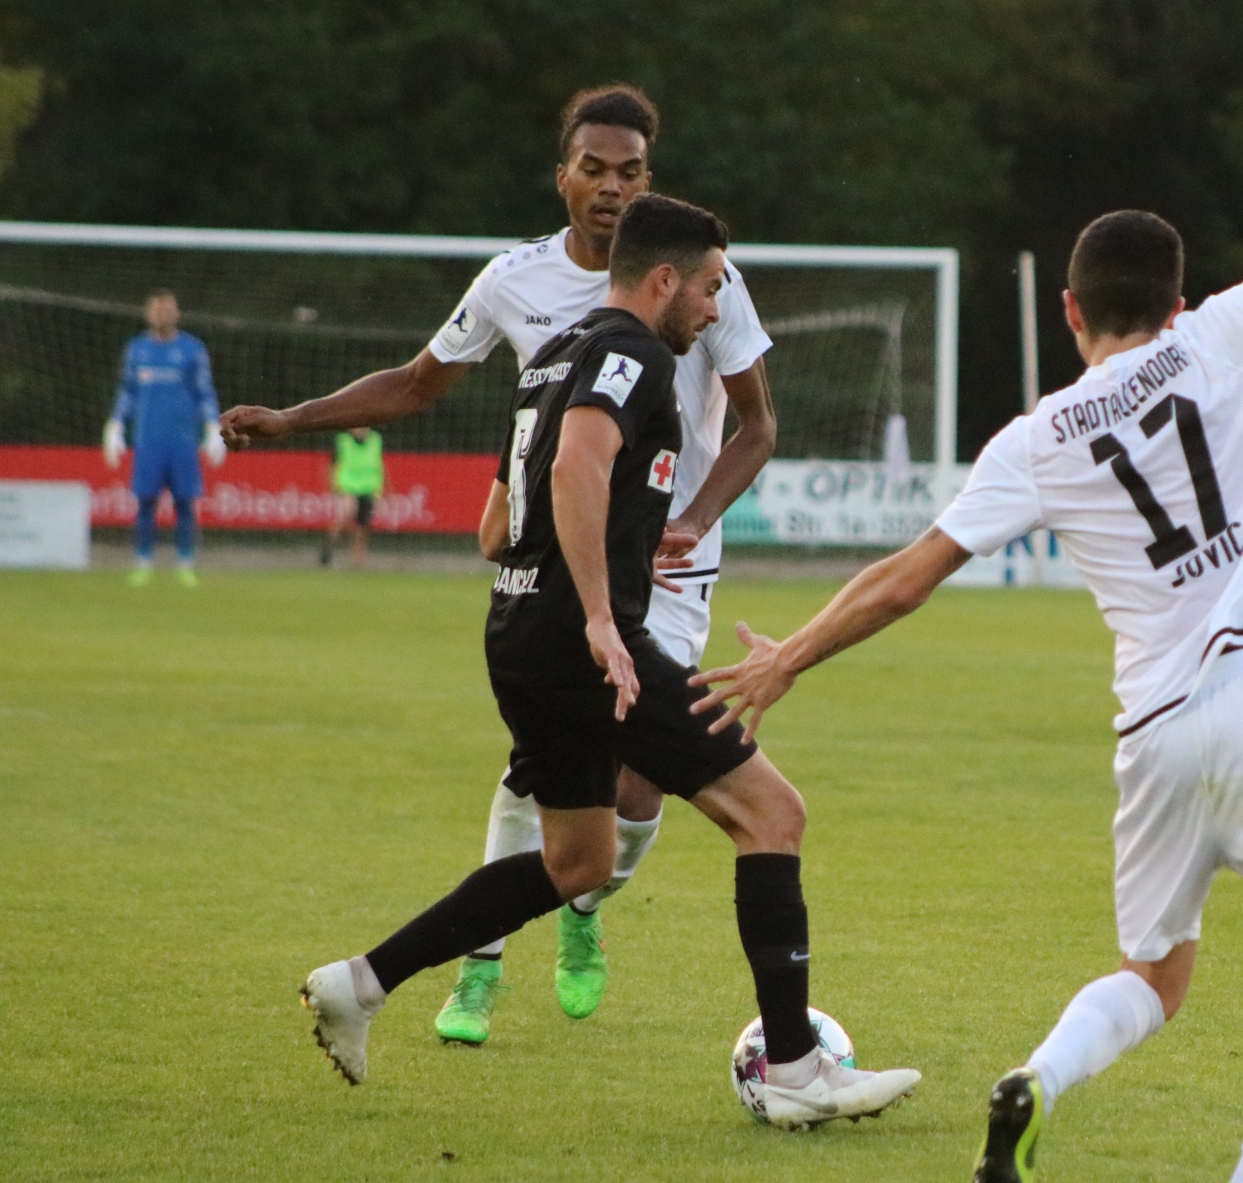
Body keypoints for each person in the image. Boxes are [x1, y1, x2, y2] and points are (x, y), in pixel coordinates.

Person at [690, 0, 1243, 1182]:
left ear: (1069, 312)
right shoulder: (1228, 335)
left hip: (1151, 730)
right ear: (1179, 294)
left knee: (1158, 970)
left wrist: (788, 655)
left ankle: (1039, 1076)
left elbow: (910, 570)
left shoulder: (1037, 435)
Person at [299, 194, 919, 1128]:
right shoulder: (629, 352)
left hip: (520, 631)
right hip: (579, 638)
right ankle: (795, 1070)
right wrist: (598, 616)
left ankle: (362, 983)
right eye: (710, 288)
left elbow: (522, 496)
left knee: (578, 859)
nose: (715, 309)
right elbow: (577, 467)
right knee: (772, 814)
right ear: (664, 280)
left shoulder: (560, 348)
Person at [221, 85, 777, 1042]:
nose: (611, 188)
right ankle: (477, 972)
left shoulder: (697, 278)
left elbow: (758, 425)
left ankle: (581, 914)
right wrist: (293, 419)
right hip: (562, 572)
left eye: (630, 172)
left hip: (669, 573)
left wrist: (691, 515)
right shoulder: (512, 281)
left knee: (635, 792)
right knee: (564, 779)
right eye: (593, 169)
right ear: (560, 175)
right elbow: (416, 383)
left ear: (651, 181)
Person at [106, 289, 225, 586]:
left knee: (186, 503)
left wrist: (213, 428)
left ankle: (185, 564)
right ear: (148, 314)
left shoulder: (192, 350)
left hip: (183, 441)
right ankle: (143, 563)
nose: (162, 315)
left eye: (167, 309)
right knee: (145, 502)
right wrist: (116, 425)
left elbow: (204, 391)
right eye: (157, 310)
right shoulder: (137, 350)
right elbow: (128, 392)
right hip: (148, 440)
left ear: (177, 314)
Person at [321, 427, 384, 568]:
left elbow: (379, 464)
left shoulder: (375, 440)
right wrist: (334, 484)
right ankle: (327, 549)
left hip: (368, 488)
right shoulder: (344, 441)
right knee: (345, 514)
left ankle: (357, 561)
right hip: (348, 487)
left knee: (363, 526)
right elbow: (333, 464)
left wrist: (382, 486)